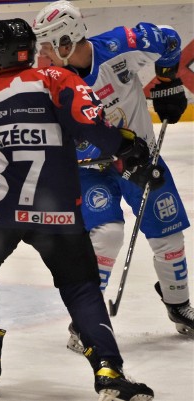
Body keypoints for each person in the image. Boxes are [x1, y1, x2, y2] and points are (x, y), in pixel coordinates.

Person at [0, 18, 154, 400]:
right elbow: (93, 125)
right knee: (81, 286)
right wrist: (127, 146)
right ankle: (109, 370)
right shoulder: (57, 78)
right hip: (56, 211)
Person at [32, 0, 193, 346]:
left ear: (67, 40)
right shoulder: (47, 83)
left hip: (141, 161)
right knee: (107, 235)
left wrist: (167, 82)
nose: (41, 53)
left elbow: (169, 38)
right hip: (89, 172)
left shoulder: (122, 45)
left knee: (169, 237)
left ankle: (178, 304)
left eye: (46, 44)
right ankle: (86, 319)